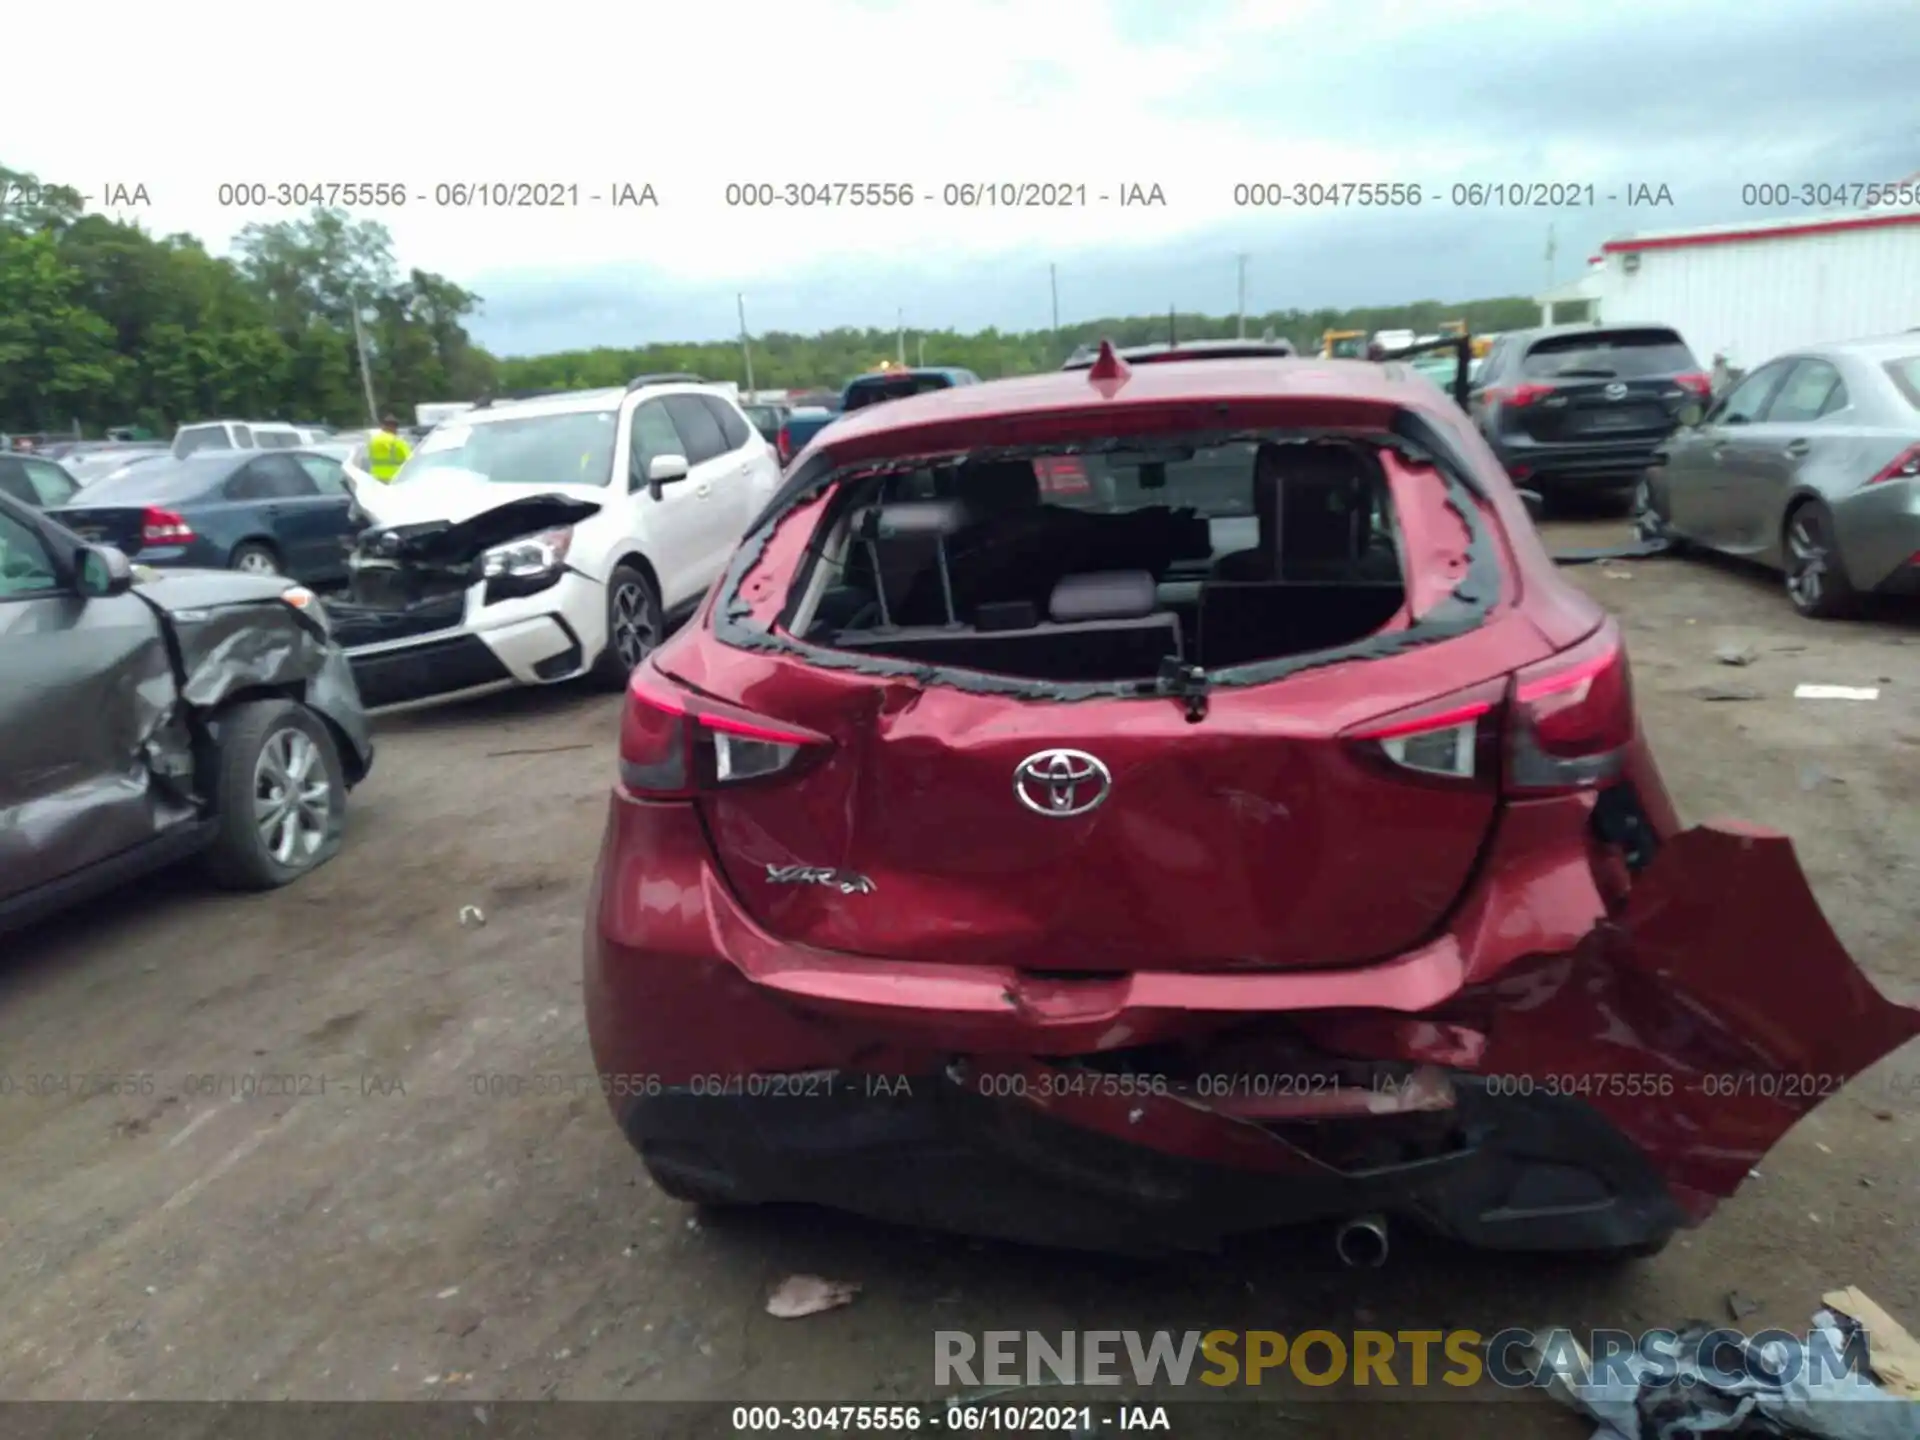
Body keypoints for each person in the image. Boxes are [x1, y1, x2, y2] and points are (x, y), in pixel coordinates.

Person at [366, 414, 413, 483]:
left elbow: (370, 457)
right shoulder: (397, 441)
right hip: (394, 479)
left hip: (376, 479)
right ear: (393, 427)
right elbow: (412, 460)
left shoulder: (373, 441)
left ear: (383, 427)